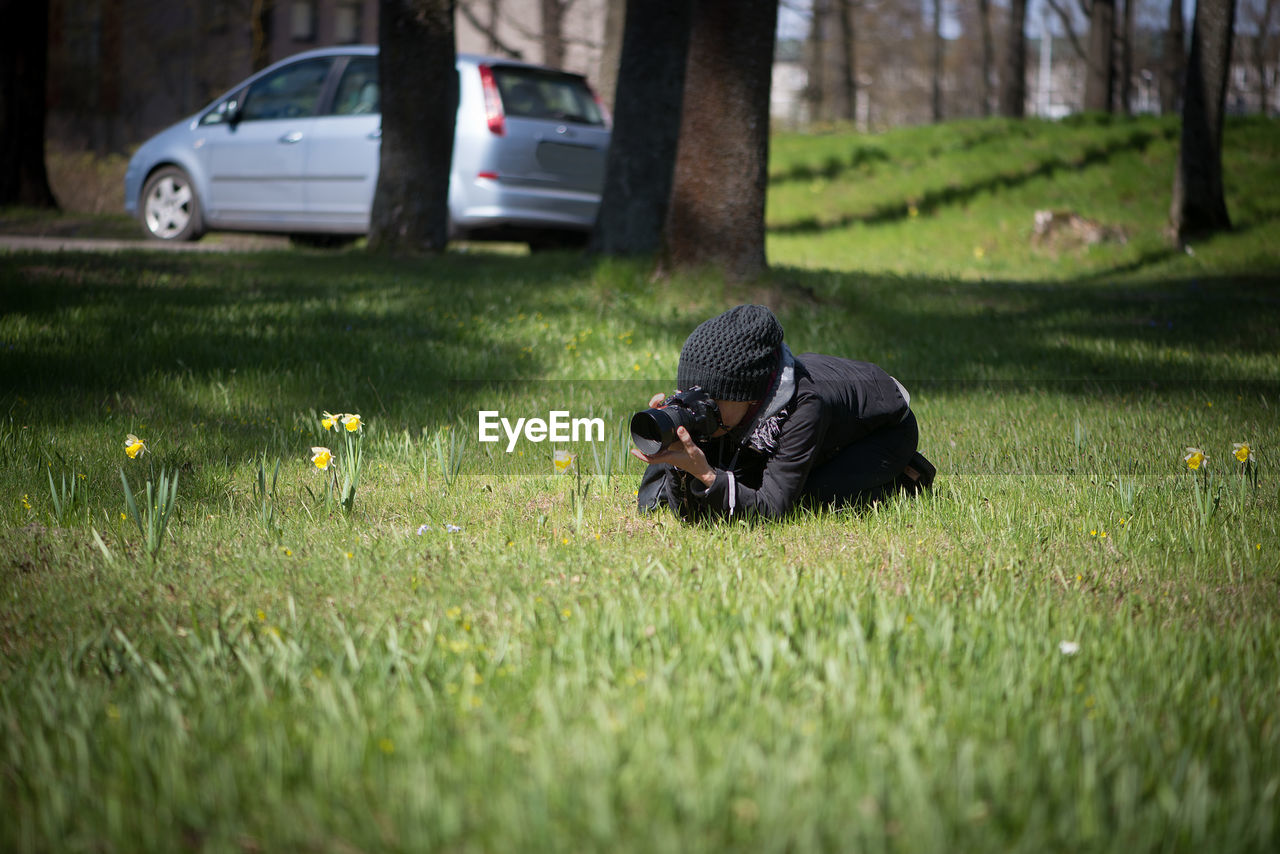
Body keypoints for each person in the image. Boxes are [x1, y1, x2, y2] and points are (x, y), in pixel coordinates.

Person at [633, 304, 934, 521]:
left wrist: (708, 475)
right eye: (691, 396)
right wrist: (675, 455)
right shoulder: (732, 411)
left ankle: (903, 476)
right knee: (742, 476)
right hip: (813, 421)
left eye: (711, 399)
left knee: (808, 499)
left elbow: (773, 508)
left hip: (885, 432)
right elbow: (690, 516)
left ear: (748, 397)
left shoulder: (805, 406)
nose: (699, 408)